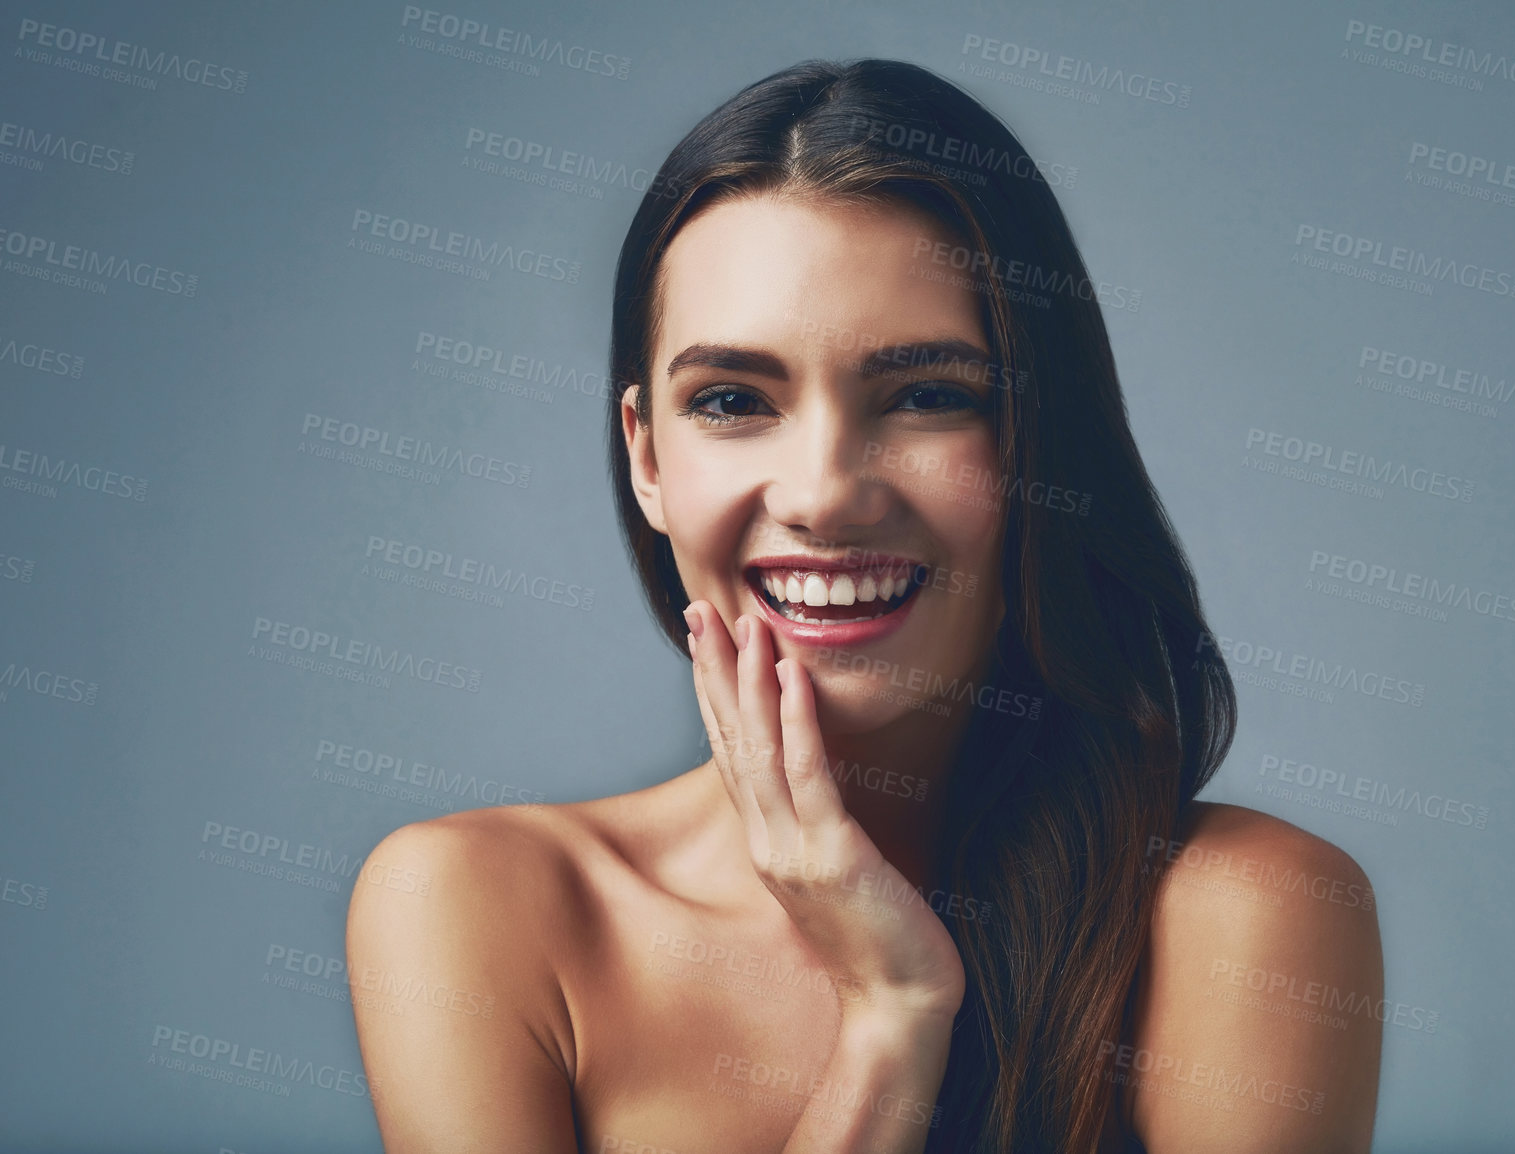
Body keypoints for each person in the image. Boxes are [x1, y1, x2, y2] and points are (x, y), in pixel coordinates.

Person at [346, 58, 1384, 1154]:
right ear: (646, 455)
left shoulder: (1243, 918)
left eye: (929, 395)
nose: (824, 494)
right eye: (734, 400)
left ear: (1044, 440)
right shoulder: (479, 906)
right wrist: (889, 1020)